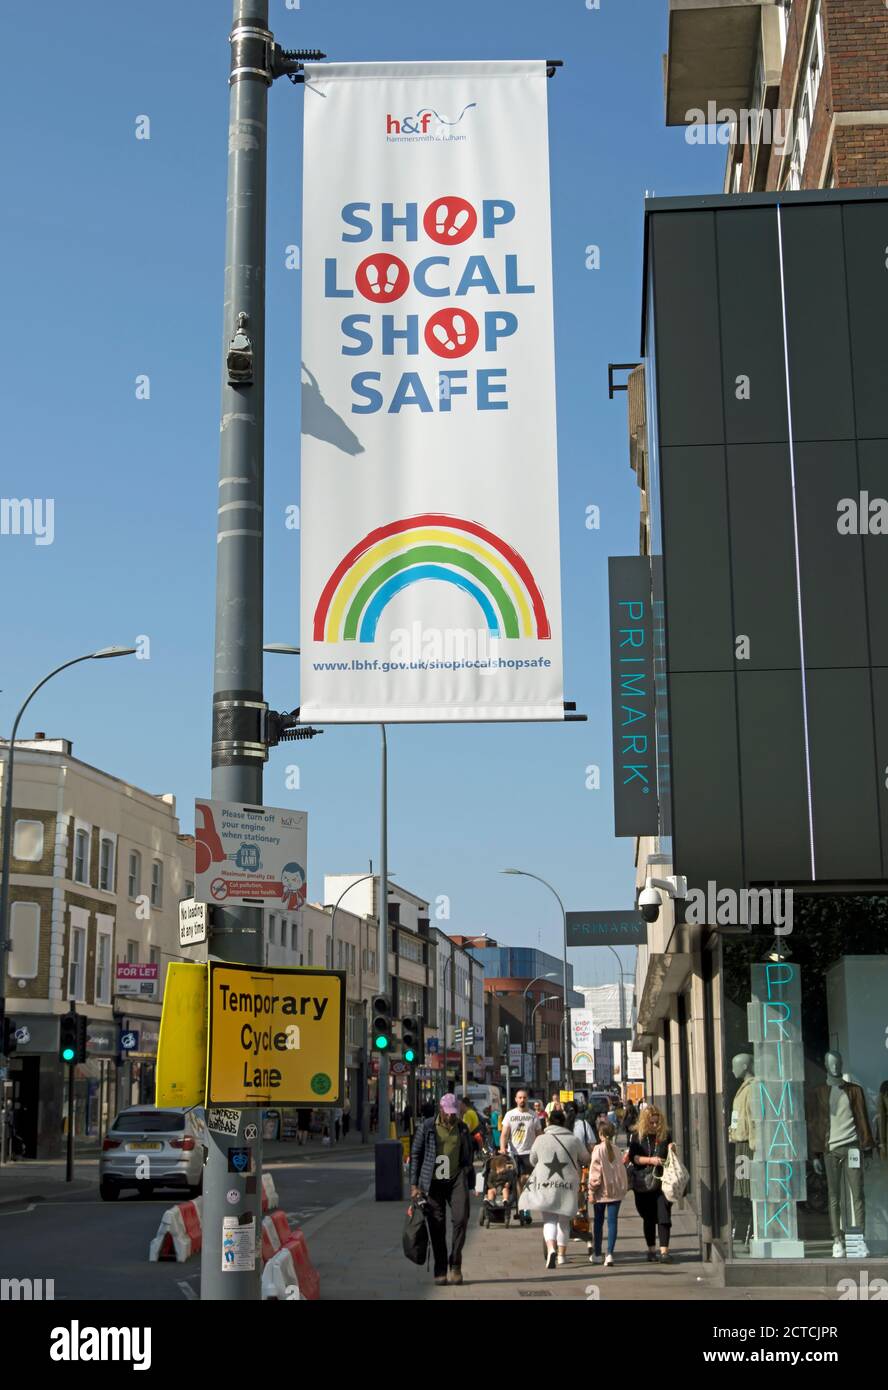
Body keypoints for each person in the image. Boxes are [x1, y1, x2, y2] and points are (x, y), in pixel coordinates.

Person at [409, 1093, 475, 1285]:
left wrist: (469, 1177)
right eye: (448, 1113)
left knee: (461, 1219)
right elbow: (416, 1154)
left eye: (454, 1112)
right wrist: (415, 1185)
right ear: (441, 1109)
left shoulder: (462, 1128)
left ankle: (455, 1264)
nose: (451, 1116)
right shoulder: (427, 1127)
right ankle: (440, 1267)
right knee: (437, 1227)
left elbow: (468, 1155)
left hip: (455, 1180)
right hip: (433, 1182)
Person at [521, 1108, 590, 1268]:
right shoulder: (573, 1140)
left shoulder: (540, 1140)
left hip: (545, 1184)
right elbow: (586, 1158)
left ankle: (551, 1248)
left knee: (549, 1221)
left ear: (549, 1122)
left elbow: (532, 1160)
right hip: (568, 1185)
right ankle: (561, 1256)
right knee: (564, 1221)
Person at [628, 1105, 676, 1262]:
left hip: (662, 1181)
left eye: (657, 1122)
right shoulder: (637, 1136)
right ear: (645, 1122)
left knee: (664, 1216)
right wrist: (651, 1160)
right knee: (648, 1217)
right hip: (643, 1182)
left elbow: (670, 1155)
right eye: (651, 1122)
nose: (655, 1125)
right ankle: (651, 1250)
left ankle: (664, 1252)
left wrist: (672, 1149)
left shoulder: (664, 1135)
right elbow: (634, 1158)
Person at [588, 1121, 628, 1266]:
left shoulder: (598, 1149)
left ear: (601, 1134)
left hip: (601, 1192)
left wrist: (591, 1190)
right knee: (612, 1223)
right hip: (616, 1191)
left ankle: (597, 1253)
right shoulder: (617, 1149)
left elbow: (595, 1173)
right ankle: (609, 1254)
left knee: (598, 1223)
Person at [500, 1090, 542, 1226]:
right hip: (514, 1153)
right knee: (518, 1181)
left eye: (524, 1097)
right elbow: (504, 1134)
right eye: (520, 1097)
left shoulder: (533, 1115)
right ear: (516, 1100)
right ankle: (524, 1209)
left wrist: (541, 1149)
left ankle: (525, 1208)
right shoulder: (510, 1115)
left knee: (527, 1181)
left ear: (527, 1099)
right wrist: (502, 1148)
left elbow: (539, 1134)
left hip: (530, 1153)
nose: (522, 1100)